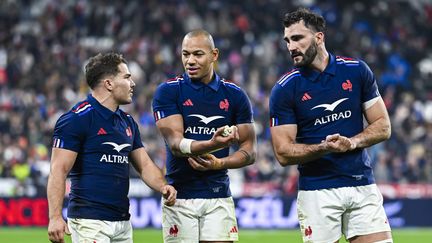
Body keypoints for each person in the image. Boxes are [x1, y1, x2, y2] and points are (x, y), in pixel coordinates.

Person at [269, 8, 393, 243]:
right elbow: (283, 153)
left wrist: (352, 142)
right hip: (317, 192)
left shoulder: (356, 71)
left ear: (319, 37)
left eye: (297, 38)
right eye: (287, 40)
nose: (290, 46)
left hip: (361, 184)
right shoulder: (285, 89)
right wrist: (324, 147)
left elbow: (383, 126)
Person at [47, 52, 177, 243]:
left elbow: (145, 166)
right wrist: (55, 217)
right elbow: (58, 169)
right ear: (109, 83)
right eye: (127, 77)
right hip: (89, 221)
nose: (132, 84)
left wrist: (163, 186)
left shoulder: (128, 122)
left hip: (122, 222)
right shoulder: (77, 119)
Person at [152, 29, 257, 243]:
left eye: (198, 54)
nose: (190, 60)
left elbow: (249, 152)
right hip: (179, 196)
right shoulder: (168, 91)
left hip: (218, 195)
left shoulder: (235, 95)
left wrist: (219, 163)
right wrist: (211, 143)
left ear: (214, 55)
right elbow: (175, 144)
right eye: (185, 54)